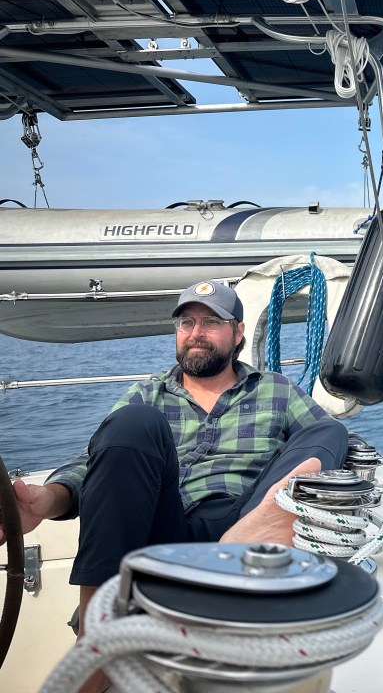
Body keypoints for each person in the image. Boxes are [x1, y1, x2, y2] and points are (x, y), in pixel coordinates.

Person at [0, 280, 348, 689]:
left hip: (239, 520)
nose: (196, 332)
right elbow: (94, 465)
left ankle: (266, 523)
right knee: (130, 426)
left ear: (237, 333)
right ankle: (96, 636)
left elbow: (322, 440)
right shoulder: (147, 394)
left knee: (329, 432)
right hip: (159, 528)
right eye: (186, 322)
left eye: (211, 321)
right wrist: (47, 499)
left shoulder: (275, 389)